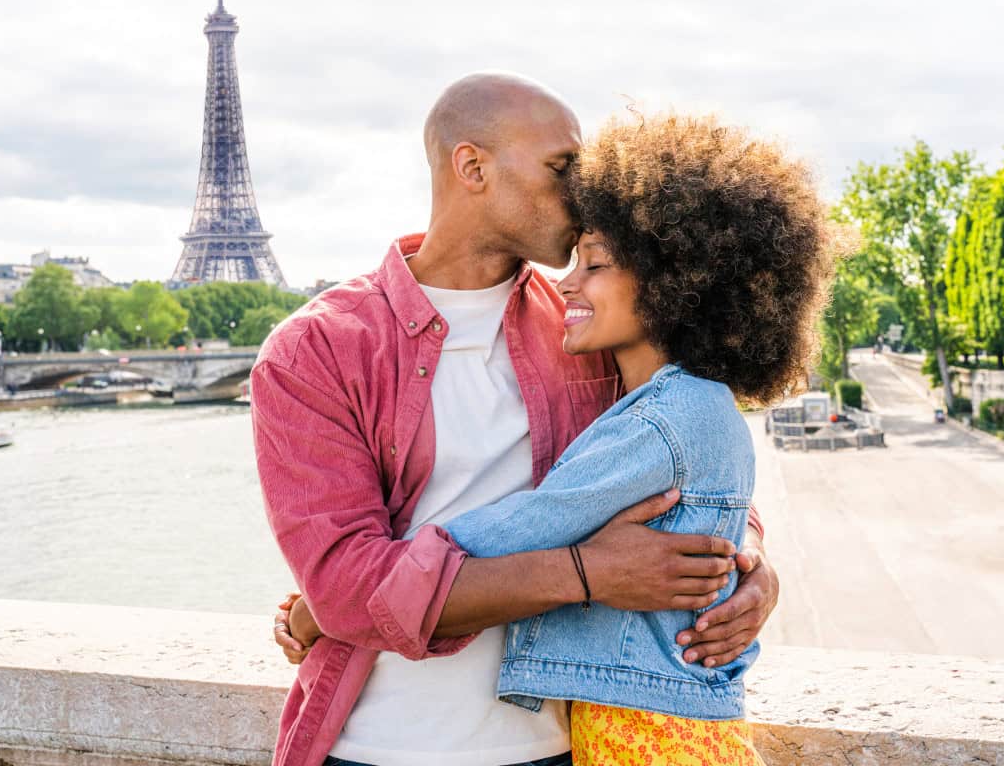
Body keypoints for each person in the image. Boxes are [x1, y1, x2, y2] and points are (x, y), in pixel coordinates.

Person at [253, 73, 780, 766]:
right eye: (563, 168)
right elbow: (351, 591)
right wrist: (583, 574)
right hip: (373, 746)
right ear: (472, 167)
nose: (585, 193)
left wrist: (749, 562)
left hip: (561, 743)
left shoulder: (591, 325)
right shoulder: (313, 350)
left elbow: (685, 451)